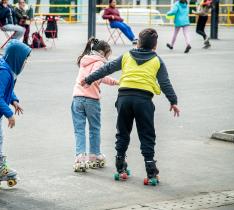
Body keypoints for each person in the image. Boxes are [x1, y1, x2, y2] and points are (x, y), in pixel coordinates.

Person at [80, 28, 180, 183]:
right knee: (146, 134)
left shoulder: (127, 56)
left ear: (138, 42)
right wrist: (173, 101)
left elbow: (106, 68)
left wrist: (88, 79)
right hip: (144, 101)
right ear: (155, 45)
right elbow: (165, 83)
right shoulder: (157, 60)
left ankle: (120, 165)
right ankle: (151, 170)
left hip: (124, 99)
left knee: (123, 132)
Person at [72, 37, 119, 172]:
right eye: (108, 55)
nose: (108, 58)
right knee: (94, 128)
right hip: (92, 99)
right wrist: (116, 82)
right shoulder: (100, 62)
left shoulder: (84, 59)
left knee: (79, 129)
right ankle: (94, 156)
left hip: (77, 98)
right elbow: (100, 76)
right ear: (103, 53)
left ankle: (80, 159)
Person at [0, 40, 31, 182]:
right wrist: (9, 114)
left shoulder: (7, 69)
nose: (26, 63)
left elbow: (8, 90)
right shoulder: (4, 73)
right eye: (25, 59)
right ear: (16, 58)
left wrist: (14, 101)